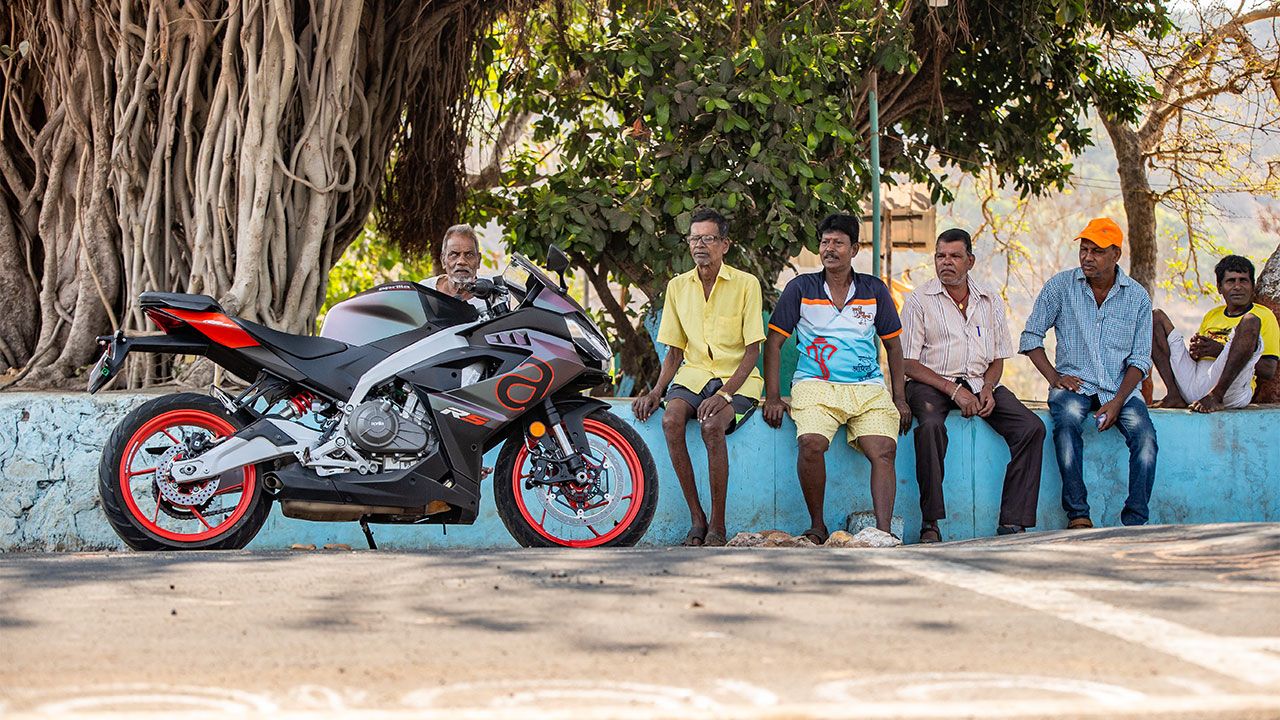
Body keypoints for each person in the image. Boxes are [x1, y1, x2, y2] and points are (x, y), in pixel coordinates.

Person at [762, 213, 911, 544]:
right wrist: (773, 396)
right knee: (811, 443)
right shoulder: (800, 288)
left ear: (854, 248)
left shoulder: (875, 290)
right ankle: (818, 526)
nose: (829, 249)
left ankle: (883, 533)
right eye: (825, 242)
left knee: (884, 450)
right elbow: (774, 342)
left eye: (838, 243)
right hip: (814, 385)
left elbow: (893, 345)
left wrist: (899, 398)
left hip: (867, 387)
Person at [632, 208, 765, 547]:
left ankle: (718, 524)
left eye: (708, 238)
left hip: (737, 378)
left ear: (725, 245)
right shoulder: (678, 287)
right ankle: (697, 517)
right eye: (694, 238)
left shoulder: (746, 284)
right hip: (693, 376)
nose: (700, 245)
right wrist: (655, 391)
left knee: (710, 426)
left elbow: (753, 351)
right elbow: (674, 352)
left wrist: (724, 395)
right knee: (671, 421)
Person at [901, 229, 1045, 542]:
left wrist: (989, 389)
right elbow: (908, 364)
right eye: (941, 256)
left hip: (980, 382)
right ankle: (931, 523)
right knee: (929, 428)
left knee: (1032, 427)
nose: (946, 263)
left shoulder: (989, 300)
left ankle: (1013, 521)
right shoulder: (918, 300)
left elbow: (997, 358)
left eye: (954, 256)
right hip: (931, 382)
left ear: (971, 261)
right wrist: (953, 390)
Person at [1020, 217, 1157, 529]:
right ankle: (1078, 513)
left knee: (1145, 438)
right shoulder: (1060, 286)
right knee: (1066, 423)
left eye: (1096, 251)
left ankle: (1136, 519)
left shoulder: (1136, 297)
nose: (1087, 257)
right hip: (1074, 385)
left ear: (1115, 256)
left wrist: (1119, 401)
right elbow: (1030, 337)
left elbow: (1140, 360)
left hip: (1119, 388)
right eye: (1084, 249)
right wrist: (1054, 377)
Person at [1151, 255, 1279, 413]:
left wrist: (1219, 350)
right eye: (1231, 281)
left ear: (1252, 286)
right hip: (1194, 383)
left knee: (1250, 320)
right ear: (1219, 287)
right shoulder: (1212, 315)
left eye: (1243, 281)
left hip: (1230, 391)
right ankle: (1174, 395)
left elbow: (1268, 370)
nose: (1237, 286)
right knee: (1155, 317)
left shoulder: (1263, 316)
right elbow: (1200, 357)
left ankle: (1215, 396)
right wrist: (1196, 351)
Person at [421, 224, 487, 311]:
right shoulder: (424, 291)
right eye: (454, 254)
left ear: (478, 260)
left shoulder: (492, 295)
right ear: (443, 261)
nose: (461, 261)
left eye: (469, 254)